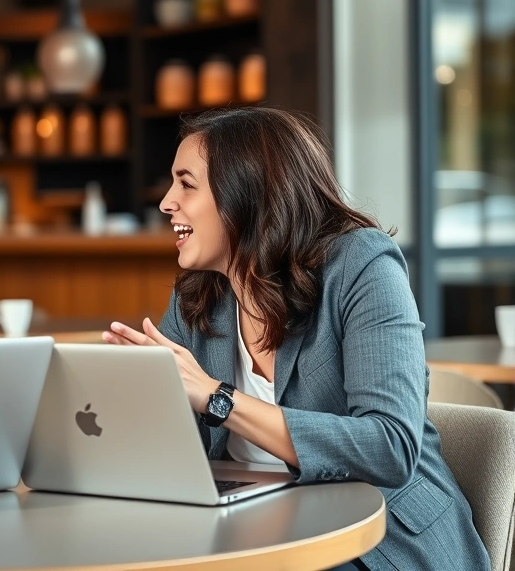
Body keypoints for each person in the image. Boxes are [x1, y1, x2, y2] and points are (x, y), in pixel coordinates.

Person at [103, 107, 488, 570]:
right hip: (257, 535)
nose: (166, 203)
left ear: (247, 193)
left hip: (379, 544)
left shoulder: (361, 266)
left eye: (186, 184)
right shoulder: (198, 298)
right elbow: (174, 447)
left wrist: (216, 398)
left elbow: (391, 446)